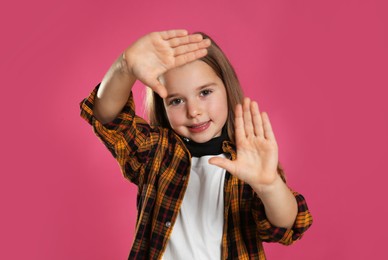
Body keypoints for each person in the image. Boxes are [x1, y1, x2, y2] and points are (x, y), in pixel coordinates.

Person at [80, 29, 313, 259]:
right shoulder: (156, 152)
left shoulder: (248, 160)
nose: (194, 111)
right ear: (163, 106)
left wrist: (269, 185)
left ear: (226, 88)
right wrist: (125, 66)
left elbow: (286, 227)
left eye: (205, 92)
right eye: (177, 100)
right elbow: (109, 119)